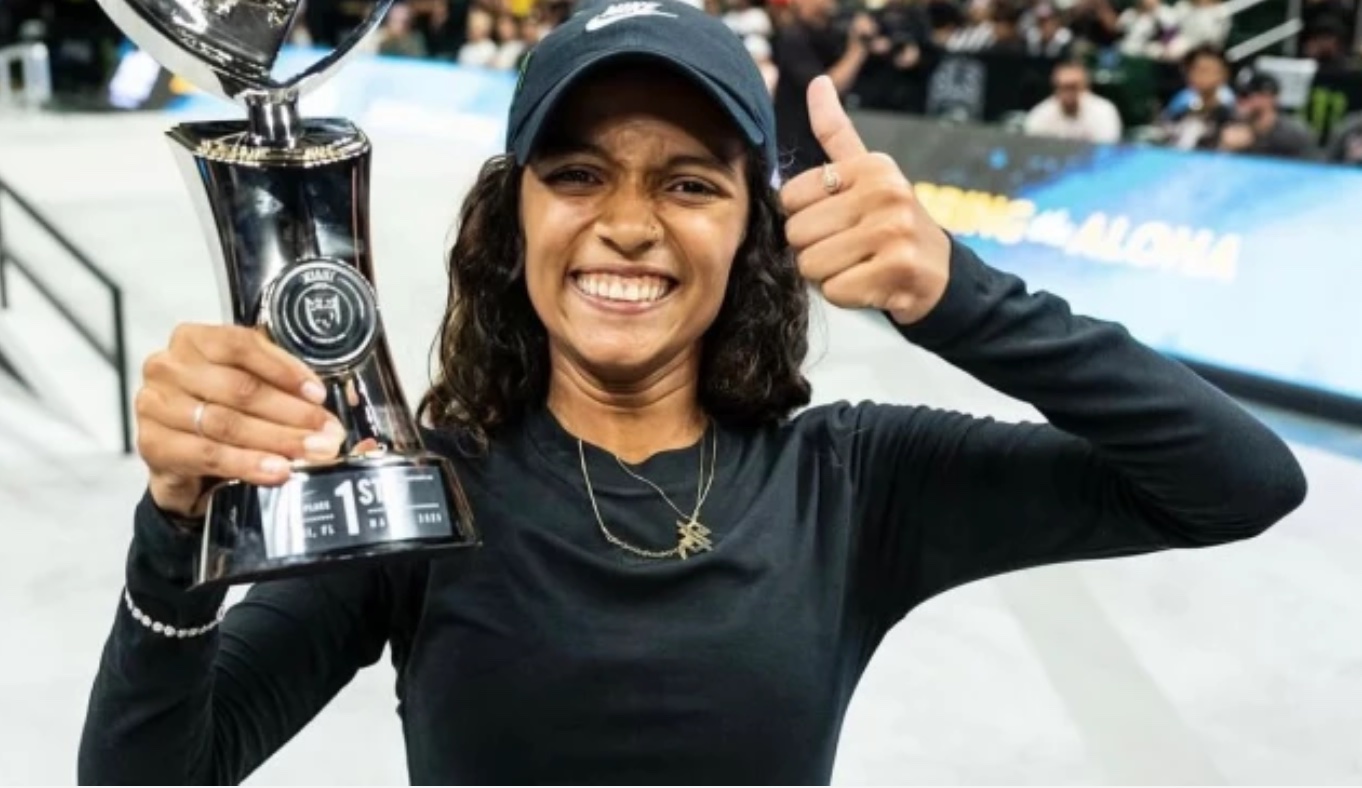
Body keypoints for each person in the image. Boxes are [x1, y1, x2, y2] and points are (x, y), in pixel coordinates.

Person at [78, 0, 1307, 783]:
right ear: (512, 217)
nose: (627, 224)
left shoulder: (848, 478)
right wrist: (179, 527)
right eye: (576, 174)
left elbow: (1238, 480)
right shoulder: (423, 490)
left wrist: (960, 294)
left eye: (689, 182)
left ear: (752, 229)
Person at [772, 0, 877, 175]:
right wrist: (857, 49)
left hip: (825, 140)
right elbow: (826, 88)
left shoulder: (834, 33)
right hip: (796, 141)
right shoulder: (793, 37)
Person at [1221, 71, 1316, 159]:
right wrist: (1225, 148)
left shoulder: (1294, 134)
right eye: (1238, 95)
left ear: (1269, 98)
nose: (1240, 101)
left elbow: (1312, 167)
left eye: (1246, 95)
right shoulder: (1228, 125)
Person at [1023, 60, 1124, 143]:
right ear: (1055, 88)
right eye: (1063, 87)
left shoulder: (1104, 111)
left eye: (1074, 87)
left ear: (1085, 88)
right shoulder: (1040, 114)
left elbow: (1107, 150)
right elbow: (1033, 150)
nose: (1068, 93)